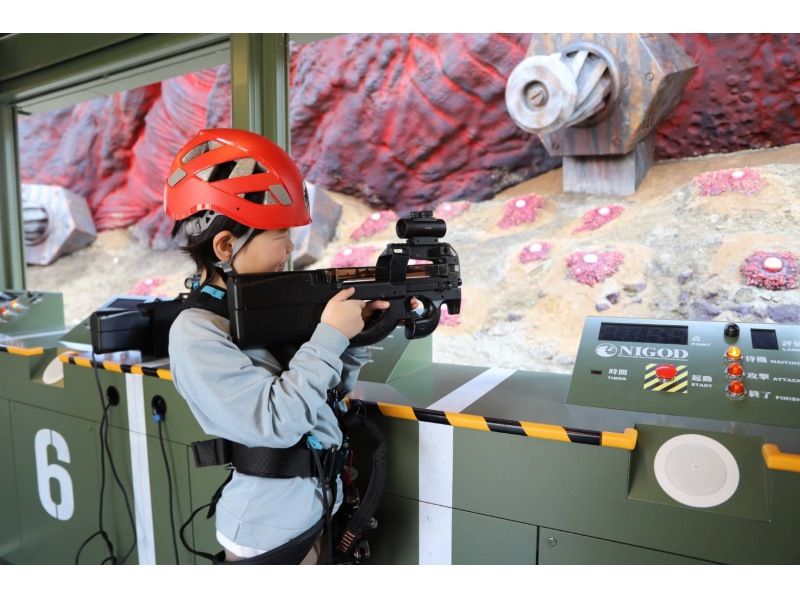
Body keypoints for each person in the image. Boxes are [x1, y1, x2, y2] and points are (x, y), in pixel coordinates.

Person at [164, 128, 398, 564]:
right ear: (225, 245)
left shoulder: (259, 311)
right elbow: (277, 422)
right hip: (267, 535)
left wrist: (357, 336)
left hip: (311, 513)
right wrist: (329, 336)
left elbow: (323, 396)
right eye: (279, 236)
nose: (290, 248)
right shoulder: (196, 333)